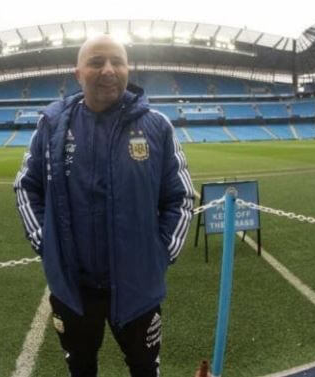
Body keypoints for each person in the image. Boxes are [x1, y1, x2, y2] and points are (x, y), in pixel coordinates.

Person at [14, 34, 194, 377]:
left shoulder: (157, 126)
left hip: (138, 286)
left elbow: (181, 197)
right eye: (96, 62)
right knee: (80, 368)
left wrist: (161, 254)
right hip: (73, 288)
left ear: (129, 69)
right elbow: (25, 187)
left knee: (145, 368)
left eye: (118, 62)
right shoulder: (51, 125)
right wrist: (46, 243)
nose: (108, 70)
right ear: (78, 73)